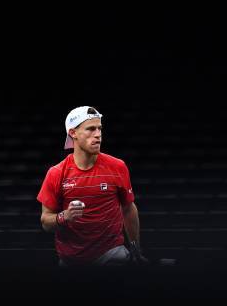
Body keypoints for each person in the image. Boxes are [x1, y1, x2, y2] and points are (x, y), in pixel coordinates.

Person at [37, 106, 147, 267]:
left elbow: (128, 208)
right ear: (73, 133)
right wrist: (64, 216)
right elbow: (46, 222)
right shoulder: (56, 173)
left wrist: (135, 248)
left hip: (112, 253)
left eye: (99, 128)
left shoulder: (117, 166)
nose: (98, 135)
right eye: (90, 129)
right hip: (71, 261)